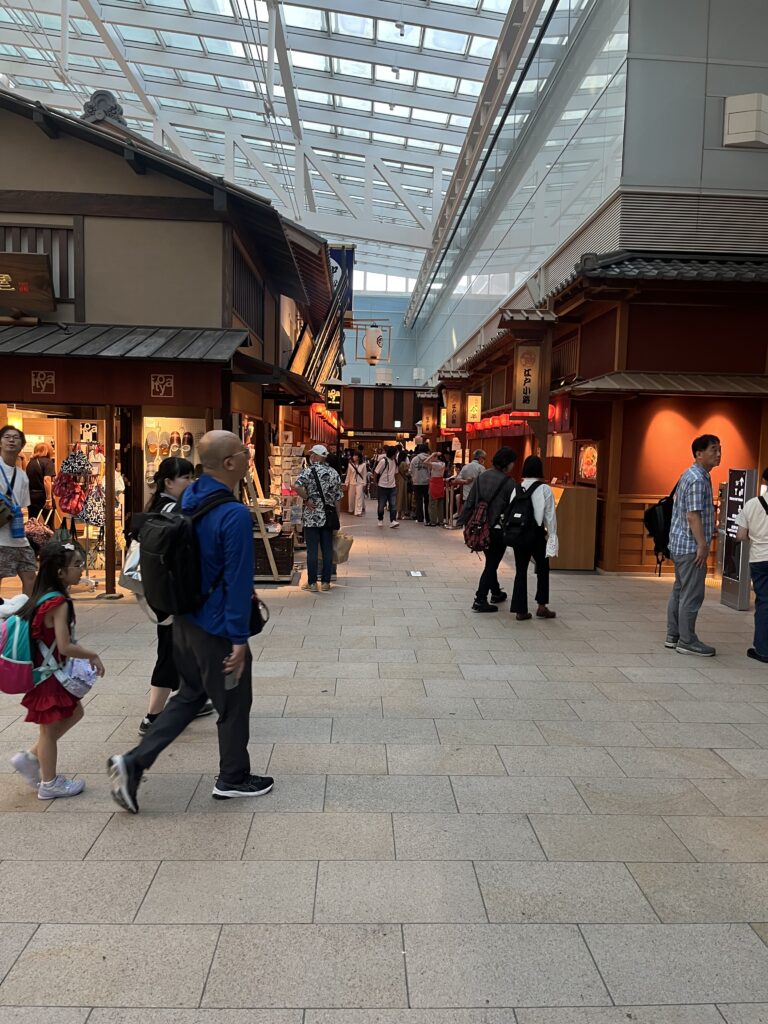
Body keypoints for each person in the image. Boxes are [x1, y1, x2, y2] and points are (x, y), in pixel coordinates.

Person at [108, 430, 273, 813]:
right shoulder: (232, 513)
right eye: (243, 452)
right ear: (229, 463)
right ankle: (233, 778)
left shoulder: (189, 498)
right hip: (216, 627)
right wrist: (239, 639)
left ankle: (133, 764)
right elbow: (236, 580)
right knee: (234, 701)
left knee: (191, 695)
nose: (249, 456)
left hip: (184, 620)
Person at [10, 541, 105, 800]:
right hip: (50, 676)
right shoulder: (58, 602)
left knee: (74, 712)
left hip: (43, 673)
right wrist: (93, 655)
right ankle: (49, 783)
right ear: (59, 572)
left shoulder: (42, 597)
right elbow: (64, 645)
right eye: (76, 565)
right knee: (49, 731)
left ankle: (30, 758)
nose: (81, 570)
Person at [136, 457, 215, 736]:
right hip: (172, 594)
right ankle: (152, 717)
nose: (191, 483)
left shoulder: (158, 507)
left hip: (161, 592)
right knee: (169, 652)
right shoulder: (173, 511)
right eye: (185, 478)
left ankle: (192, 699)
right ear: (168, 482)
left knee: (182, 648)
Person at [667, 433, 721, 657]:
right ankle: (687, 640)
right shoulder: (698, 478)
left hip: (679, 544)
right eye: (713, 449)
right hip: (691, 547)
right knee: (692, 594)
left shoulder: (690, 474)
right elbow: (692, 516)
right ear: (698, 454)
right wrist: (702, 544)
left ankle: (674, 635)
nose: (718, 454)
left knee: (680, 590)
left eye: (719, 449)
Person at [457, 446, 517, 612]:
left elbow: (471, 501)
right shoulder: (509, 483)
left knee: (491, 560)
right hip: (497, 528)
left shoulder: (482, 476)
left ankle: (496, 592)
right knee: (492, 563)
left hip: (480, 525)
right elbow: (511, 509)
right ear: (508, 463)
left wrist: (463, 520)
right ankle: (480, 599)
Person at [508, 455, 559, 621]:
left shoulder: (517, 488)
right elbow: (550, 516)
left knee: (520, 571)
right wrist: (552, 536)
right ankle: (541, 605)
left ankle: (520, 610)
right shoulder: (544, 489)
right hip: (536, 534)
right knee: (543, 569)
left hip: (519, 535)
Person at [295, 444, 343, 591]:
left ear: (316, 456)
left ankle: (312, 583)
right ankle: (326, 582)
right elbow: (338, 498)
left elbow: (296, 486)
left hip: (312, 516)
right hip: (328, 517)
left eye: (312, 454)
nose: (311, 456)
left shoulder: (308, 471)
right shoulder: (334, 473)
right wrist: (337, 518)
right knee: (327, 549)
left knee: (312, 551)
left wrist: (307, 498)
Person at [735, 467, 768, 663]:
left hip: (759, 558)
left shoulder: (752, 504)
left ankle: (763, 649)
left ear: (764, 480)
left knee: (764, 602)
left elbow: (740, 535)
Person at [0, 425, 36, 597]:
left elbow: (22, 505)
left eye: (16, 437)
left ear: (22, 445)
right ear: (0, 442)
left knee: (30, 575)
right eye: (7, 437)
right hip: (0, 537)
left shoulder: (22, 475)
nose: (12, 440)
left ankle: (26, 615)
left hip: (18, 535)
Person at [26, 442, 55, 521]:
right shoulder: (48, 462)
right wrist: (49, 499)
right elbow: (47, 480)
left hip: (31, 496)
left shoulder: (30, 463)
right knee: (49, 522)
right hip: (43, 496)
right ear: (47, 451)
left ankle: (31, 534)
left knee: (32, 523)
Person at [374, 446, 399, 528]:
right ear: (393, 453)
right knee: (381, 504)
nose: (396, 455)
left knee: (393, 504)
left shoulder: (395, 461)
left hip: (392, 486)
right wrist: (375, 483)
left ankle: (393, 520)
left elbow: (396, 473)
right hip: (382, 486)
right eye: (396, 453)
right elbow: (376, 472)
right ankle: (380, 519)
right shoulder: (383, 461)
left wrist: (396, 483)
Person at [409, 443, 432, 525]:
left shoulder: (414, 459)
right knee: (427, 501)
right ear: (427, 450)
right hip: (427, 482)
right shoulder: (430, 459)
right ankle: (428, 518)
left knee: (418, 501)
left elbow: (410, 471)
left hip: (416, 482)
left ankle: (420, 518)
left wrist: (414, 477)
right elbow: (432, 470)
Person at [426, 451, 447, 527]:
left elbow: (425, 462)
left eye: (433, 457)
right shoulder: (443, 464)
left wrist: (431, 455)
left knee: (432, 504)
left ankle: (433, 521)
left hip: (434, 483)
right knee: (440, 504)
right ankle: (441, 521)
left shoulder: (435, 464)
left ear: (436, 457)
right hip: (440, 482)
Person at [345, 451, 368, 516]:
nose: (354, 457)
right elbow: (348, 474)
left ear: (359, 457)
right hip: (352, 482)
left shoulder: (363, 465)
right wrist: (347, 483)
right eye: (354, 455)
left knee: (359, 497)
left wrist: (364, 484)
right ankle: (351, 509)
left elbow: (364, 475)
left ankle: (358, 511)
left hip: (360, 483)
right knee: (351, 497)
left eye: (356, 455)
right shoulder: (350, 464)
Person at [395, 446, 411, 520]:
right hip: (403, 481)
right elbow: (407, 473)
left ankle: (398, 513)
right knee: (403, 497)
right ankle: (402, 513)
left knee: (399, 497)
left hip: (398, 480)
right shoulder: (404, 464)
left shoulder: (397, 463)